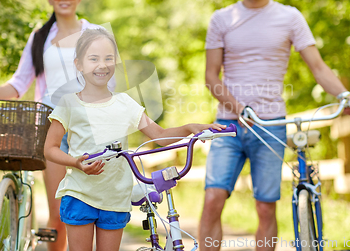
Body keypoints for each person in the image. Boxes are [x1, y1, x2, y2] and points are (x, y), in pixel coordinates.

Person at [199, 0, 350, 251]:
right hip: (228, 126)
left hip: (271, 124)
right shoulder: (222, 19)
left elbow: (318, 66)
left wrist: (343, 94)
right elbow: (211, 77)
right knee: (212, 199)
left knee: (265, 206)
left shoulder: (290, 16)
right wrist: (240, 109)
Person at [44, 28, 225, 251]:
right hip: (80, 195)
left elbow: (159, 136)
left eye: (108, 58)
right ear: (79, 64)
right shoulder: (69, 103)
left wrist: (189, 128)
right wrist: (75, 163)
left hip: (115, 198)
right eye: (93, 59)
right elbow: (50, 148)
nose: (102, 65)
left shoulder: (125, 104)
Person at [0, 0, 103, 251]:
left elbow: (108, 82)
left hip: (87, 127)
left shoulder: (95, 34)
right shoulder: (40, 37)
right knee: (59, 214)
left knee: (88, 211)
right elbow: (18, 84)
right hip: (50, 126)